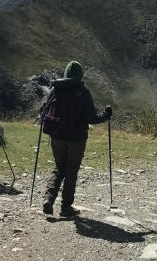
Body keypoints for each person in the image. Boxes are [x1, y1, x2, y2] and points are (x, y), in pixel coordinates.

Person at [42, 61, 112, 217]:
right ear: (80, 75)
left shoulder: (54, 90)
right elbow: (91, 118)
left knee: (59, 169)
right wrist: (106, 116)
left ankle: (48, 198)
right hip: (77, 139)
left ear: (66, 73)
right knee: (71, 172)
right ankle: (66, 208)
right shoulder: (83, 92)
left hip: (56, 137)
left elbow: (45, 111)